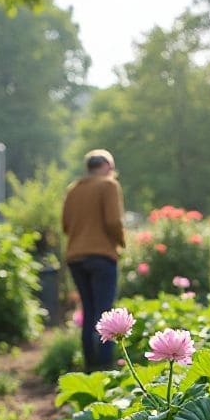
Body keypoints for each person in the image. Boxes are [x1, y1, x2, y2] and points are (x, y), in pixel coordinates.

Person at [62, 148, 125, 370]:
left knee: (88, 312)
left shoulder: (73, 189)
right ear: (107, 167)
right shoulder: (108, 185)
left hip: (75, 256)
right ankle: (106, 367)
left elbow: (66, 225)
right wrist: (121, 242)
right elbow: (113, 222)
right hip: (101, 255)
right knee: (104, 312)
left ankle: (89, 367)